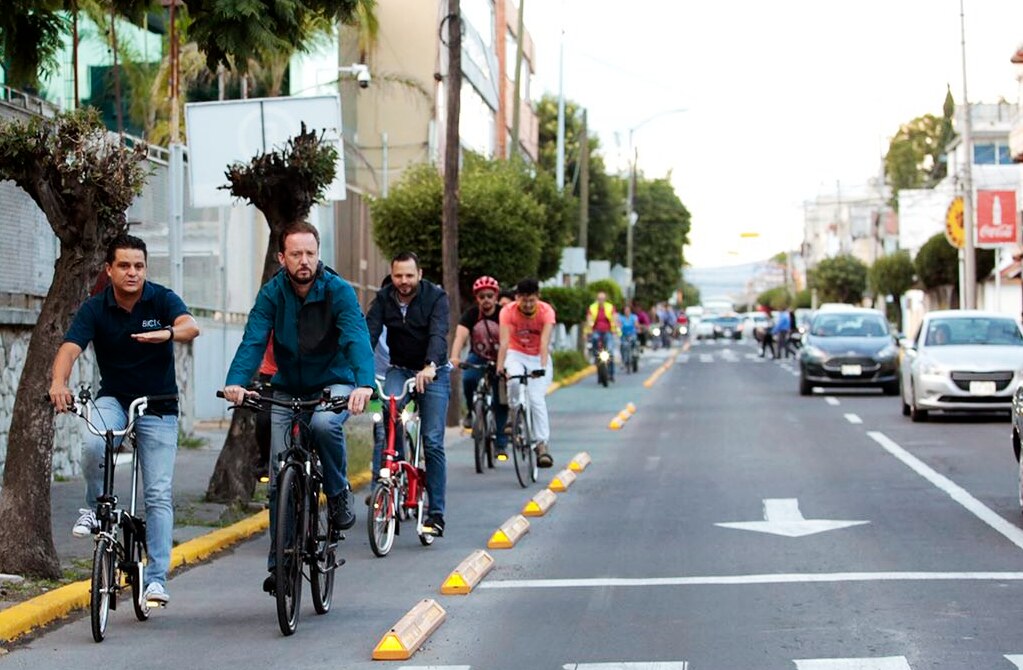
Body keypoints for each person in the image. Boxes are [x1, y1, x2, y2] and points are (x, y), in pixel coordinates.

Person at [222, 221, 375, 596]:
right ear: (282, 257)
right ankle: (280, 567)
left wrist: (364, 384)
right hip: (289, 386)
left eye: (310, 253)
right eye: (296, 254)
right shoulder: (272, 293)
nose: (304, 261)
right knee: (278, 477)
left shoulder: (337, 290)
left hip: (334, 380)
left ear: (318, 254)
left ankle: (337, 493)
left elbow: (356, 335)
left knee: (324, 425)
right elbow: (254, 337)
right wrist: (237, 381)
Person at [49, 233, 200, 607]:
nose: (133, 273)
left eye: (139, 266)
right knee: (92, 443)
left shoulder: (160, 298)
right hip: (114, 398)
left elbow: (190, 326)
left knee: (158, 493)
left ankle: (156, 580)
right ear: (109, 269)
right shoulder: (95, 308)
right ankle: (94, 507)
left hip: (158, 405)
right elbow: (70, 347)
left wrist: (165, 333)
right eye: (124, 266)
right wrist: (58, 382)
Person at [366, 251, 451, 537]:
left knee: (433, 440)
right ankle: (395, 473)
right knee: (389, 418)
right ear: (392, 275)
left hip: (432, 372)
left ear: (420, 274)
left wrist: (430, 366)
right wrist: (360, 369)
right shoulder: (384, 298)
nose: (403, 281)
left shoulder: (436, 297)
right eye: (398, 276)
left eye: (409, 276)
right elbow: (369, 332)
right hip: (399, 370)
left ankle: (436, 513)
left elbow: (439, 334)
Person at [496, 278, 556, 468]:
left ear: (538, 297)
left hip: (538, 356)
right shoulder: (507, 312)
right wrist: (500, 366)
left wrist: (542, 367)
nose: (528, 305)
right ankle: (514, 415)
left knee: (536, 399)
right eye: (524, 300)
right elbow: (504, 342)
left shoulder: (547, 312)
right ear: (517, 298)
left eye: (532, 300)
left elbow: (545, 342)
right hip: (516, 353)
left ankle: (542, 445)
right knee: (513, 382)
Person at [449, 275, 509, 459]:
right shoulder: (471, 314)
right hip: (479, 356)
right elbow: (460, 337)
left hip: (502, 357)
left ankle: (501, 443)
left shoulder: (503, 314)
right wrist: (455, 357)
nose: (486, 300)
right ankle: (472, 412)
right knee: (468, 379)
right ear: (477, 298)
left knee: (501, 399)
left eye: (490, 296)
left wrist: (501, 367)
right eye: (482, 296)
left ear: (496, 296)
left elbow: (506, 341)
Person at [585, 290, 620, 381]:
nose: (601, 300)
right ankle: (595, 356)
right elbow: (589, 320)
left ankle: (611, 374)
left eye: (603, 299)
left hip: (608, 331)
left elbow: (615, 318)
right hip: (596, 331)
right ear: (597, 299)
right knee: (595, 342)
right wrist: (588, 330)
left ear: (605, 299)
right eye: (599, 299)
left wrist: (616, 328)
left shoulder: (610, 307)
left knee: (610, 351)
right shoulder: (592, 307)